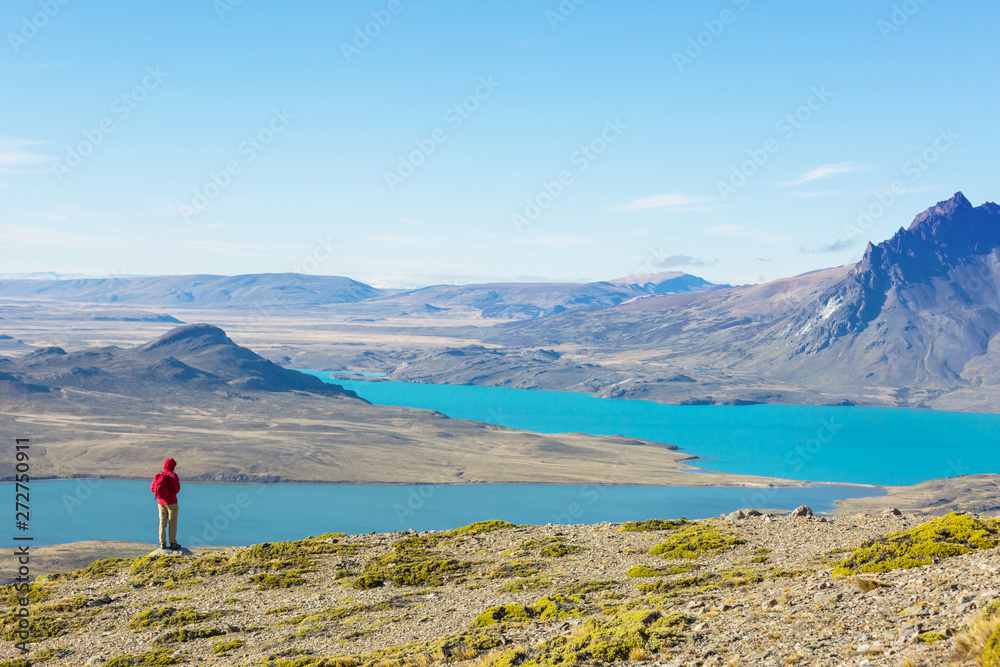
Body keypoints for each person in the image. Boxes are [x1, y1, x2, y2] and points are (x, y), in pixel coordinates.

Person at [151, 458, 181, 550]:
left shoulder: (159, 475)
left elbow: (152, 488)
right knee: (172, 522)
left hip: (160, 502)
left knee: (162, 522)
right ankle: (172, 542)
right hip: (171, 503)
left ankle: (162, 543)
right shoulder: (173, 475)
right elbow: (177, 489)